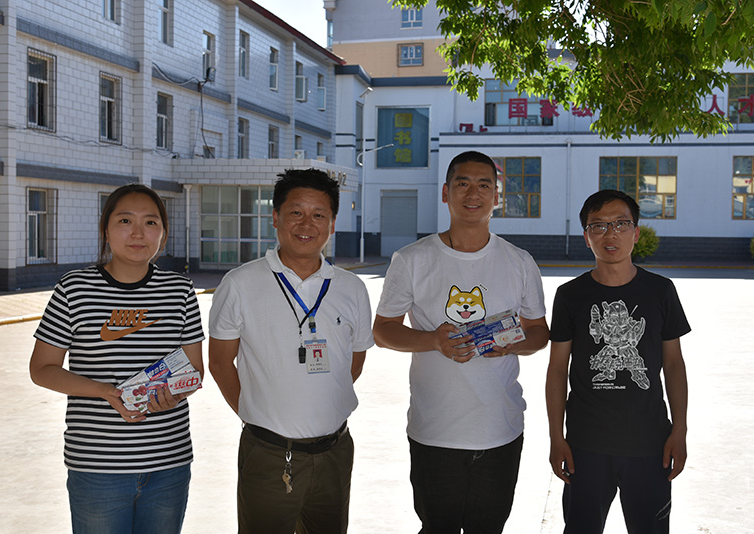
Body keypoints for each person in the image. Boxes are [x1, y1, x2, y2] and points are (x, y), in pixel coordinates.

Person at [373, 150, 550, 533]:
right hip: (434, 431)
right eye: (463, 183)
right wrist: (432, 340)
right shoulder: (412, 259)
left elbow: (539, 332)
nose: (473, 193)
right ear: (445, 193)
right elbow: (383, 329)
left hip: (500, 429)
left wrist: (511, 345)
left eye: (484, 185)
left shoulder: (519, 261)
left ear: (497, 196)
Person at [29, 184, 204, 534]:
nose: (138, 233)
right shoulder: (74, 289)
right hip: (97, 467)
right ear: (106, 229)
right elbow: (42, 369)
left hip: (168, 463)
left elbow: (195, 370)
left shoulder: (180, 291)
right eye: (125, 220)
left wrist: (176, 393)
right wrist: (104, 391)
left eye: (150, 223)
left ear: (163, 233)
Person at [207, 168, 373, 534]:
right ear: (275, 217)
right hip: (268, 455)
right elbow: (219, 362)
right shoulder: (240, 283)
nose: (306, 224)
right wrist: (257, 415)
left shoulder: (352, 288)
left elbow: (353, 361)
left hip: (334, 452)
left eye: (319, 215)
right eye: (296, 212)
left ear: (332, 224)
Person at [546, 189, 690, 533]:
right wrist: (555, 437)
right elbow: (557, 370)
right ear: (586, 237)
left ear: (635, 232)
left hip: (649, 443)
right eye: (598, 226)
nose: (610, 234)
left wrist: (680, 429)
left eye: (621, 224)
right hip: (585, 445)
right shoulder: (570, 295)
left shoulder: (661, 291)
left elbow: (674, 365)